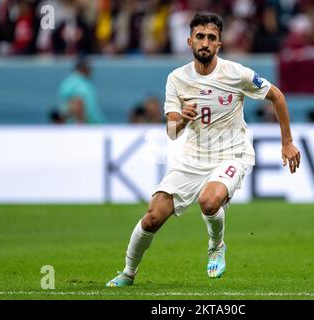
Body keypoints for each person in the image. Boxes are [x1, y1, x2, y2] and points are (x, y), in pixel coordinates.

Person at [105, 12, 300, 287]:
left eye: (211, 37)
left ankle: (216, 245)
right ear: (189, 41)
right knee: (152, 217)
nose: (205, 42)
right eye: (200, 37)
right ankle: (127, 273)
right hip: (192, 157)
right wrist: (182, 118)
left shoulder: (237, 74)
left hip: (232, 153)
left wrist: (287, 142)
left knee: (209, 201)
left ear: (219, 44)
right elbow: (172, 132)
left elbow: (277, 96)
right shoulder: (177, 79)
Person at [57, 57, 106, 124]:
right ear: (82, 68)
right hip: (79, 127)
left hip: (93, 125)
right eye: (89, 67)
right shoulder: (71, 83)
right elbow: (70, 106)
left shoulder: (84, 82)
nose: (91, 70)